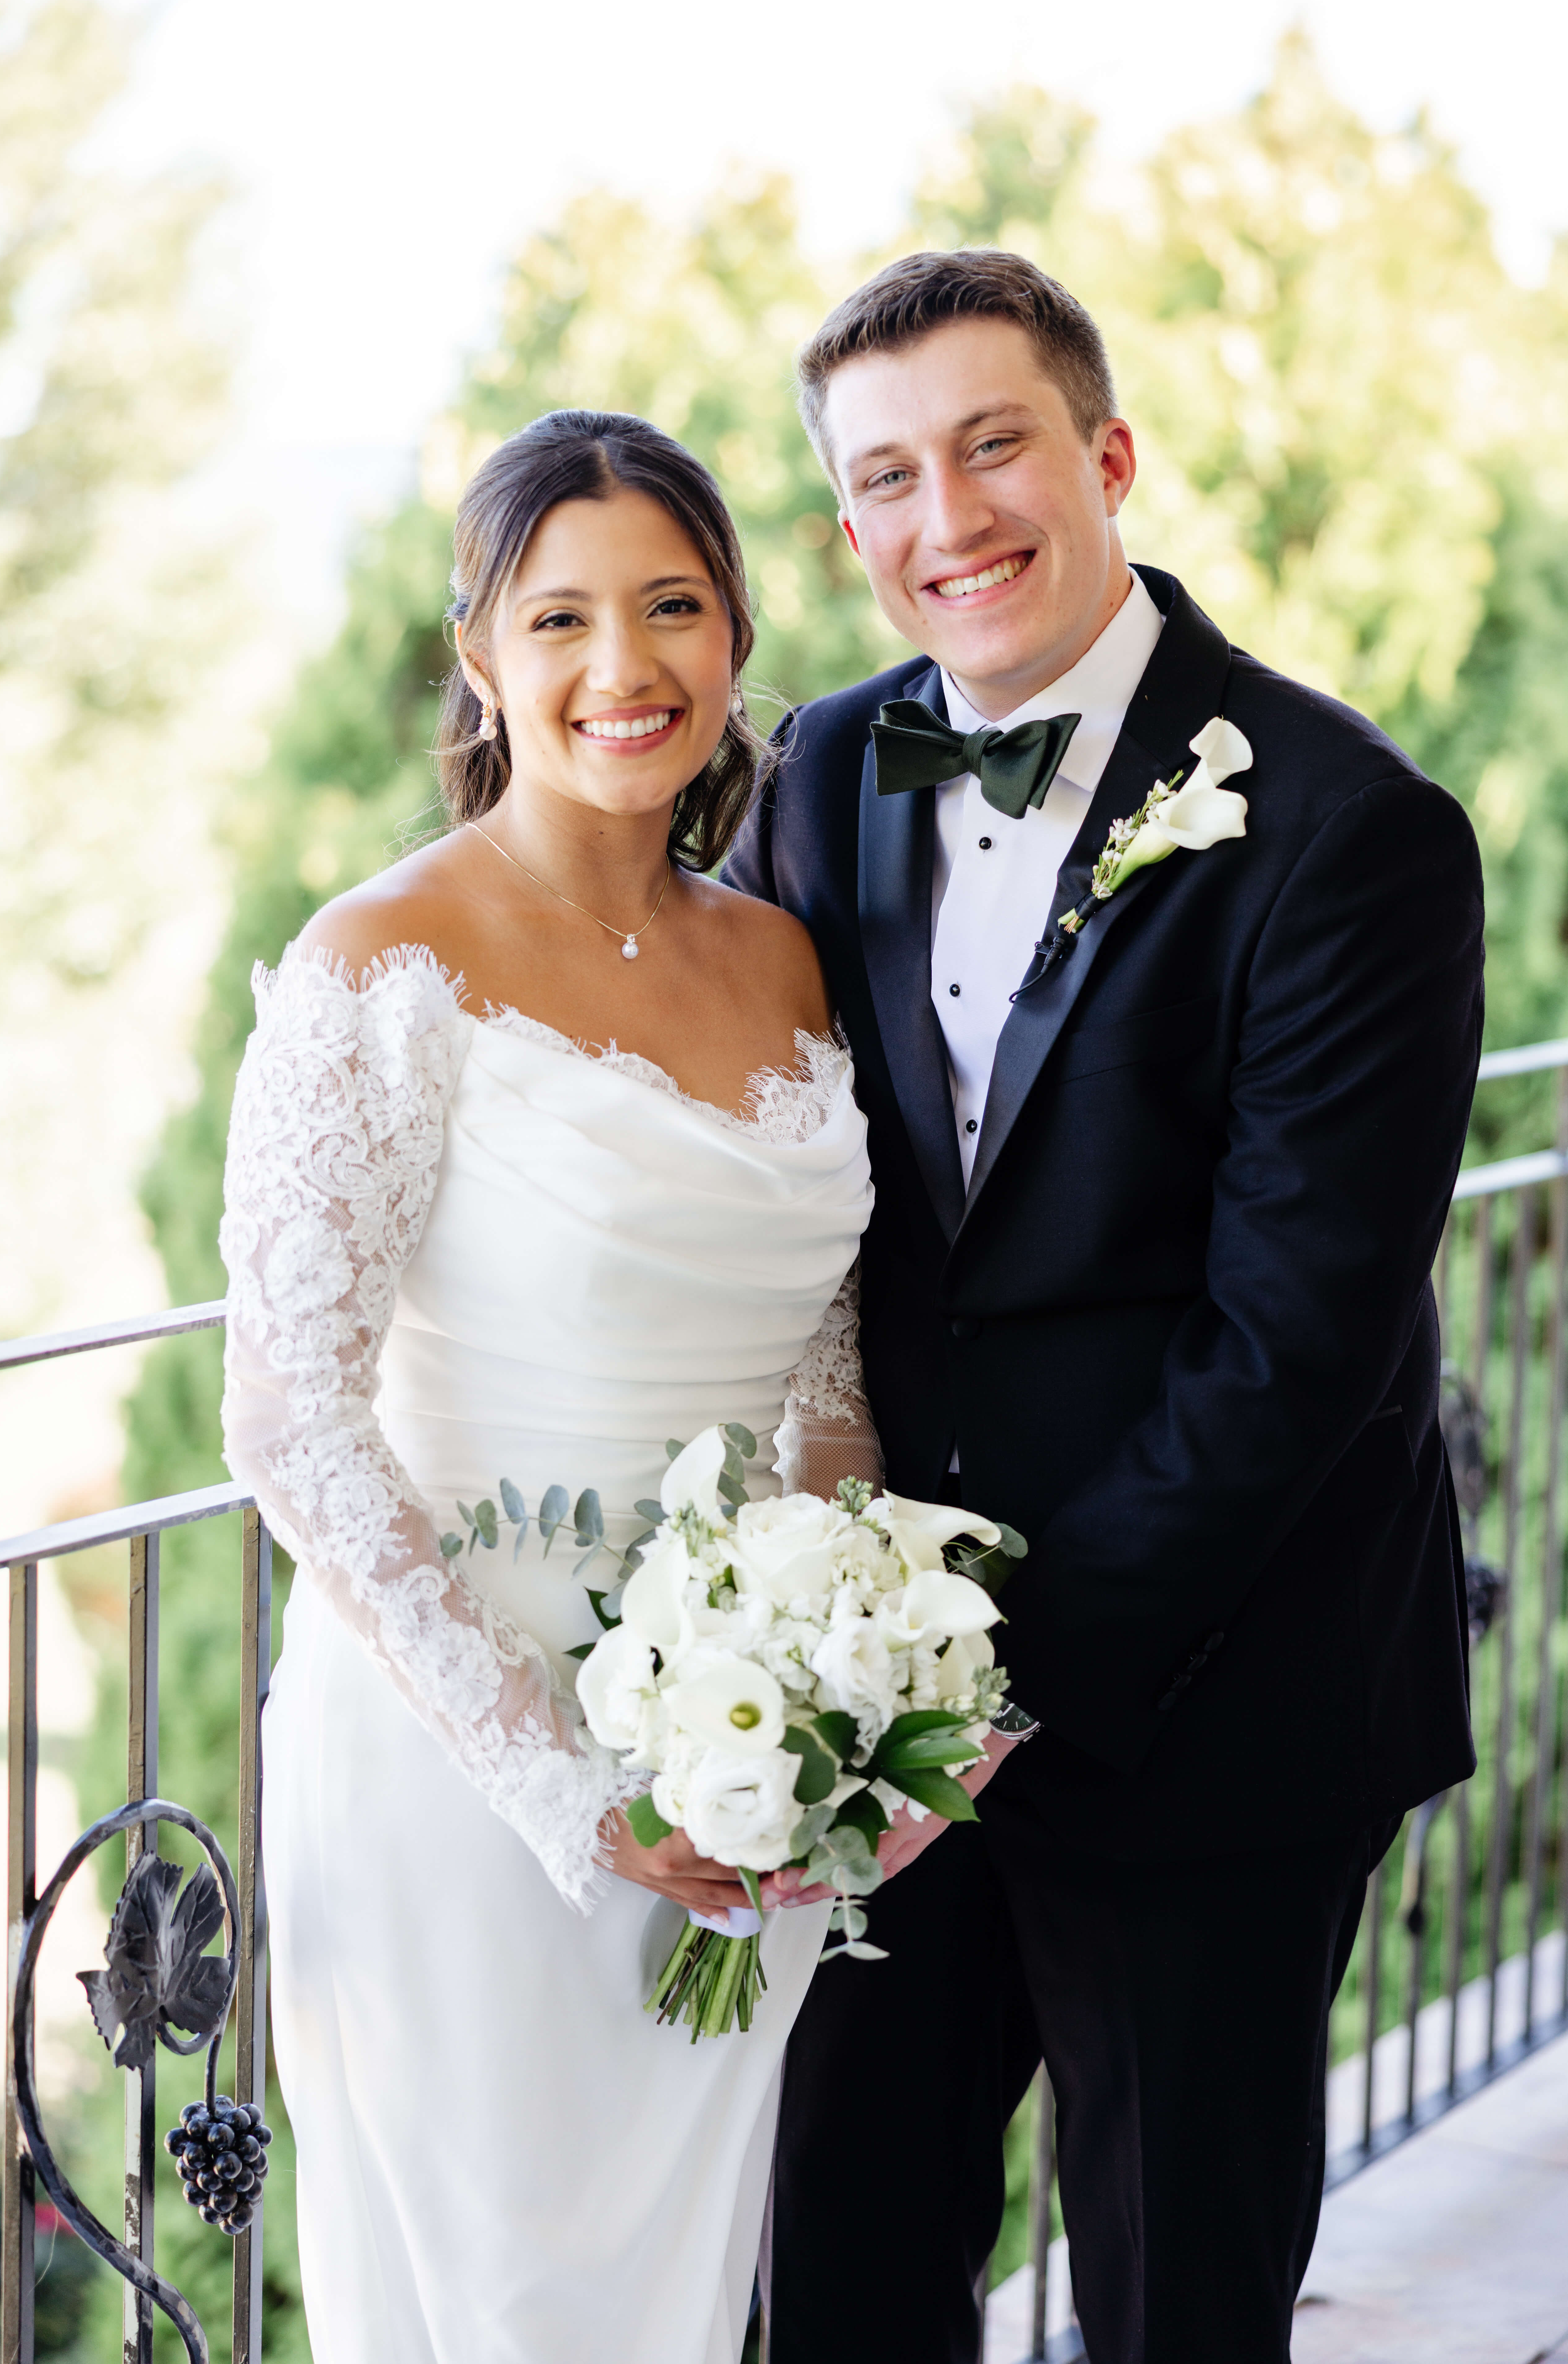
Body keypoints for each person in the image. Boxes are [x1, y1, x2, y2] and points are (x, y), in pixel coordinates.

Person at [726, 248, 1485, 2364]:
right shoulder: (820, 775)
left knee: (1172, 2302)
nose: (947, 517)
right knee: (839, 2275)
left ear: (1107, 457)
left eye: (993, 447)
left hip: (1216, 1692)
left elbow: (1297, 1344)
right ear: (848, 529)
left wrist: (1003, 1672)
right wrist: (846, 1669)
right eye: (888, 476)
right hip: (879, 1714)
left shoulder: (1347, 828)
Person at [218, 410, 880, 2364]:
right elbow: (292, 1421)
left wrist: (834, 1691)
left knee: (675, 2300)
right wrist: (559, 1787)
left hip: (731, 1763)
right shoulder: (379, 967)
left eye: (671, 607)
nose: (624, 666)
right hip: (468, 1768)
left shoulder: (783, 964)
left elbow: (827, 1369)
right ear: (481, 659)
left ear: (734, 635)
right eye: (561, 618)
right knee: (506, 2306)